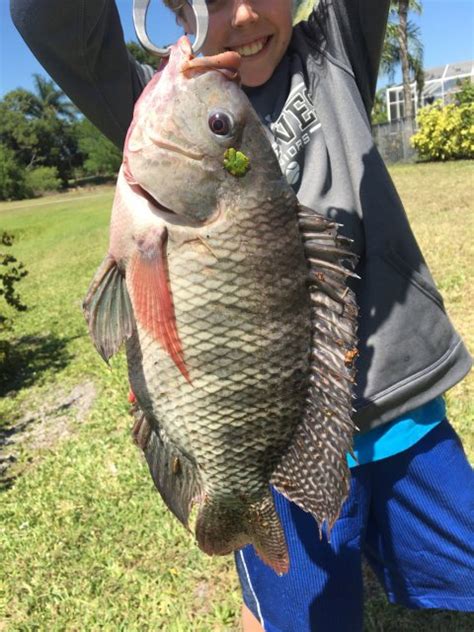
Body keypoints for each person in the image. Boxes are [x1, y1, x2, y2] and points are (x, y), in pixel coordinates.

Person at [11, 1, 473, 630]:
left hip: (398, 416)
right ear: (174, 10)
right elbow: (47, 17)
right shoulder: (157, 102)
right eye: (214, 0)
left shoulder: (333, 53)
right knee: (292, 614)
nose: (247, 14)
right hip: (267, 458)